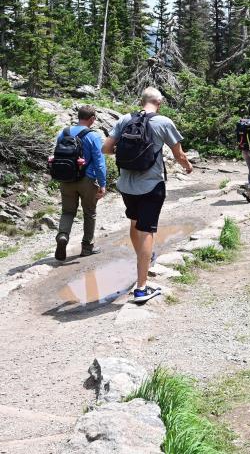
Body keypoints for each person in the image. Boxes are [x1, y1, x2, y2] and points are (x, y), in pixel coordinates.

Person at [102, 88, 192, 305]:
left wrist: (128, 154)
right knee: (147, 231)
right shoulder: (163, 122)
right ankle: (141, 288)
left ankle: (144, 257)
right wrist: (187, 166)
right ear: (159, 102)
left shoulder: (125, 119)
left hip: (125, 184)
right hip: (151, 185)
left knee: (134, 223)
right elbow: (178, 153)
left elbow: (106, 148)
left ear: (141, 101)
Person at [52, 105, 107, 261]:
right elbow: (100, 163)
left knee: (67, 212)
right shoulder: (93, 136)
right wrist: (103, 184)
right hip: (87, 181)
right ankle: (87, 247)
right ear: (92, 119)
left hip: (66, 179)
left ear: (79, 116)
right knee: (89, 213)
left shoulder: (64, 133)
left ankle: (62, 236)